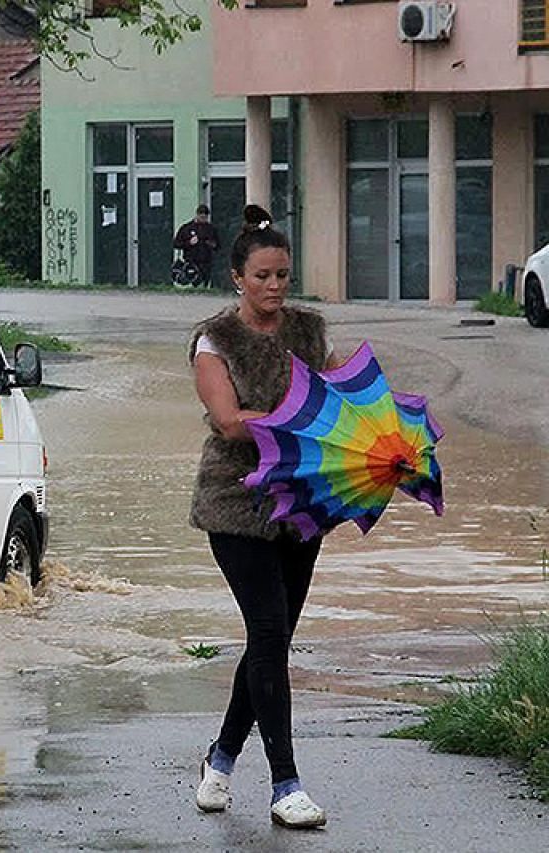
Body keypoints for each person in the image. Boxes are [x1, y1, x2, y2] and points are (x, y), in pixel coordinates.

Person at [187, 204, 335, 830]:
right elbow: (228, 421)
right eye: (263, 276)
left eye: (283, 275)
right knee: (270, 635)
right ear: (237, 278)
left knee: (269, 642)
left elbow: (335, 397)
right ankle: (285, 785)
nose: (275, 287)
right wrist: (296, 422)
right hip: (237, 504)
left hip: (300, 504)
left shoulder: (309, 330)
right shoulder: (213, 340)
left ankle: (220, 761)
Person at [173, 204, 221, 287]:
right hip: (191, 261)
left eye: (205, 217)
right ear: (197, 215)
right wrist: (189, 243)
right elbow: (176, 244)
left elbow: (218, 245)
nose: (204, 220)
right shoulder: (186, 228)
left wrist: (212, 244)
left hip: (206, 261)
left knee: (205, 280)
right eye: (202, 217)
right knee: (192, 280)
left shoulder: (211, 229)